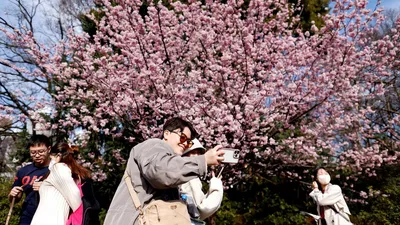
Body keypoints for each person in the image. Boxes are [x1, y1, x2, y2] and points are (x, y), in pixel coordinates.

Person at [104, 117, 225, 225]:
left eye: (188, 142)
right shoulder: (153, 145)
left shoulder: (169, 160)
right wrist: (203, 161)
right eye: (182, 137)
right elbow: (161, 173)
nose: (185, 144)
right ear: (166, 134)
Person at [30, 142, 90, 225]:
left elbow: (76, 199)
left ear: (58, 156)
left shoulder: (59, 168)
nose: (50, 162)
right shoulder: (64, 172)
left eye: (51, 158)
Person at [8, 135, 51, 225]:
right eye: (33, 153)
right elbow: (15, 199)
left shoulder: (57, 169)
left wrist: (45, 188)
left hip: (50, 215)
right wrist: (13, 194)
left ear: (49, 149)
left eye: (41, 151)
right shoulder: (23, 171)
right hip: (27, 216)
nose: (37, 155)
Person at [180, 138, 224, 223]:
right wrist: (217, 186)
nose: (196, 156)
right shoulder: (190, 178)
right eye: (192, 152)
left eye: (199, 153)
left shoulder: (179, 173)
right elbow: (201, 210)